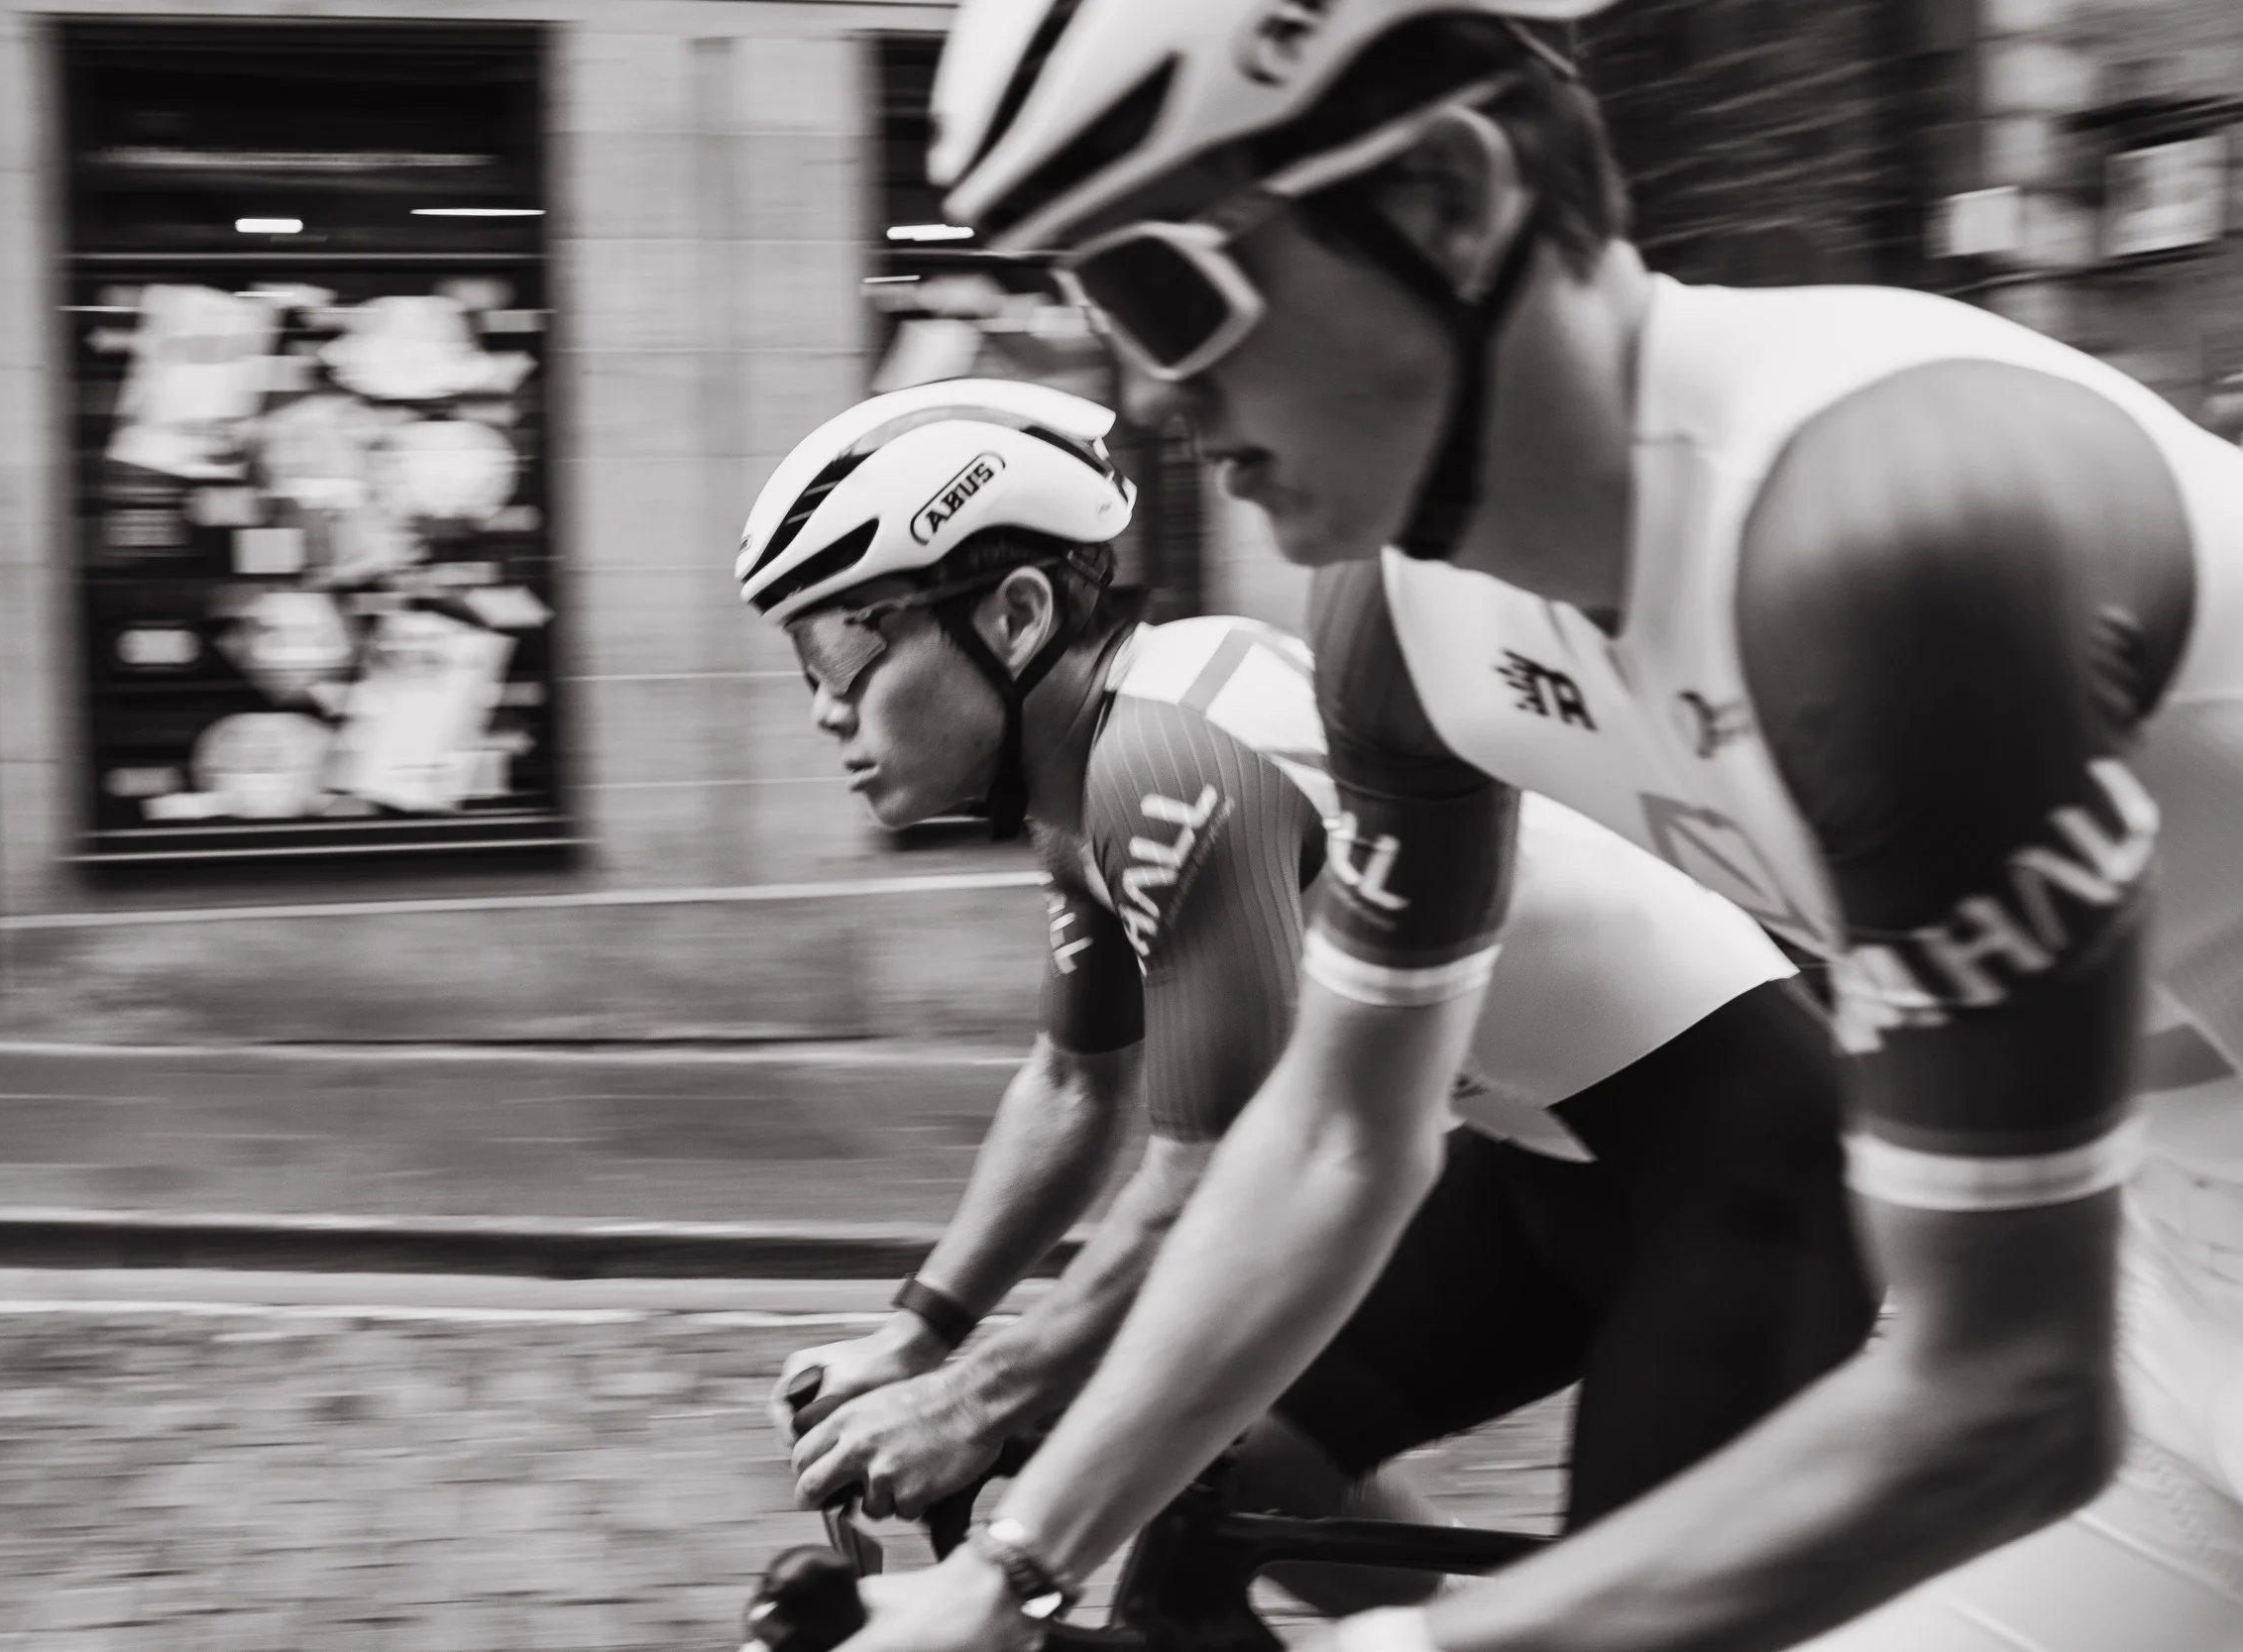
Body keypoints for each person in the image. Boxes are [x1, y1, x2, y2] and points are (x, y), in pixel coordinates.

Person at [826, 4, 2243, 1651]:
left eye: (1161, 292)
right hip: (2167, 1275)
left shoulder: (1884, 531)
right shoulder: (1395, 613)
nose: (1152, 401)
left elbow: (2010, 1394)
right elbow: (1348, 1136)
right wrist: (1012, 1570)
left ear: (1446, 194)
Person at [739, 381, 1872, 1604]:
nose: (823, 707)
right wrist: (922, 1330)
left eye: (846, 646)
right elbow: (1075, 1081)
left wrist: (973, 1396)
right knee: (1232, 1481)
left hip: (1744, 1171)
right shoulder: (1097, 775)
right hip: (1545, 1163)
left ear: (1012, 615)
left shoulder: (1165, 765)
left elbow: (1208, 1181)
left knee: (1617, 1622)